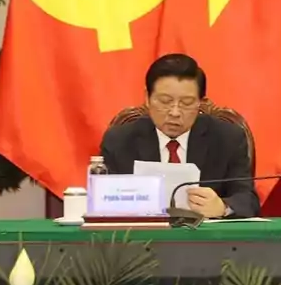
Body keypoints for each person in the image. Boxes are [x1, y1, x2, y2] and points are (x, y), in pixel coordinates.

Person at [100, 53, 259, 218]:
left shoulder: (228, 138)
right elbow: (103, 201)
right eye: (165, 101)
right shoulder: (119, 140)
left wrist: (223, 207)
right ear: (147, 98)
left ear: (200, 103)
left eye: (187, 103)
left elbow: (247, 200)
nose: (175, 112)